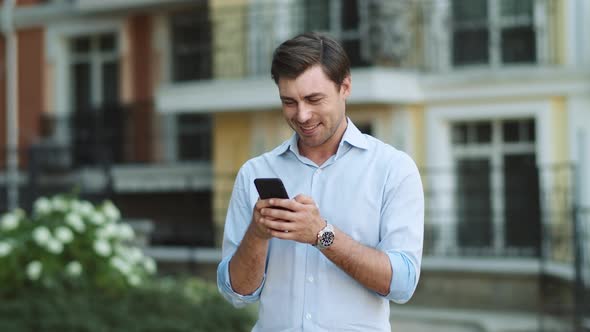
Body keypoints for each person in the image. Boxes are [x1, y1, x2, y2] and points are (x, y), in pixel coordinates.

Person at [217, 32, 424, 331]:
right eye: (289, 102)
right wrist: (258, 234)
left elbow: (402, 284)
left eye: (314, 99)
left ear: (345, 87)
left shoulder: (393, 169)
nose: (302, 115)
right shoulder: (255, 172)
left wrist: (321, 234)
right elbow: (236, 293)